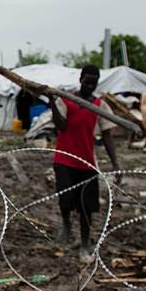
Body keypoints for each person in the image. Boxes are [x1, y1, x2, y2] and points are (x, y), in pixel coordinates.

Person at [47, 65, 121, 262]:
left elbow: (107, 136)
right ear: (80, 79)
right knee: (65, 198)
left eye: (93, 83)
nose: (89, 85)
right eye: (87, 81)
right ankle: (66, 224)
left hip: (87, 162)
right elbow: (61, 126)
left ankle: (85, 241)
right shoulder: (67, 100)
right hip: (64, 159)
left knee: (87, 206)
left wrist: (115, 164)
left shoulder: (99, 106)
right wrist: (53, 103)